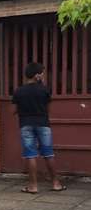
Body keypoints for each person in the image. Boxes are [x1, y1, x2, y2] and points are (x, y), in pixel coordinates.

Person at [13, 62, 65, 194]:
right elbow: (48, 109)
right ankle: (56, 183)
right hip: (43, 124)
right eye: (42, 73)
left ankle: (33, 186)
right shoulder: (45, 89)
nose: (43, 75)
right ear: (37, 75)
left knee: (30, 155)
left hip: (26, 124)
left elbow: (14, 110)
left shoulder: (19, 90)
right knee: (48, 154)